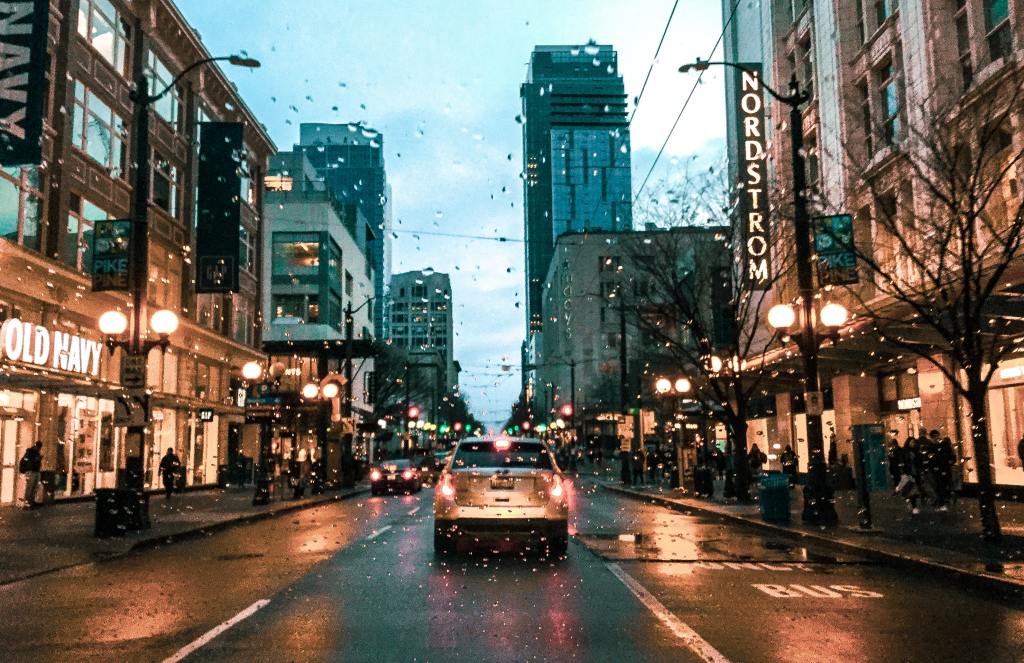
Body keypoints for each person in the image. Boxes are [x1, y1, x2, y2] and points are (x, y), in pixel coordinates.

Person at [929, 430, 954, 511]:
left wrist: (950, 461)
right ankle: (941, 503)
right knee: (940, 486)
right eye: (935, 437)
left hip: (943, 469)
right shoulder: (932, 446)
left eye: (937, 436)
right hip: (939, 470)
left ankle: (942, 502)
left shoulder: (943, 445)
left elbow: (950, 455)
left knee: (942, 486)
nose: (936, 438)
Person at [18, 441, 43, 508]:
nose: (39, 448)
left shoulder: (34, 452)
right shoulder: (30, 452)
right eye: (39, 447)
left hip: (34, 471)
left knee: (32, 487)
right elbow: (29, 461)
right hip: (31, 471)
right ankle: (28, 502)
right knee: (30, 487)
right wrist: (36, 460)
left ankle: (30, 502)